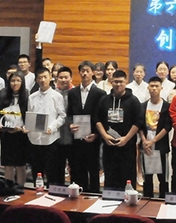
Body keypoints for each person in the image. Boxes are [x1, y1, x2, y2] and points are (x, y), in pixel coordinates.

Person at [96, 69, 143, 189]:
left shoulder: (133, 101)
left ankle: (128, 199)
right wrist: (105, 136)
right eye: (115, 81)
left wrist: (126, 139)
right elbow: (97, 119)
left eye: (121, 82)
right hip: (109, 146)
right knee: (110, 176)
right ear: (111, 82)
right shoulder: (104, 100)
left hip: (127, 147)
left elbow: (138, 122)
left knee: (127, 177)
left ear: (126, 82)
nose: (118, 84)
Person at [67, 60, 105, 193]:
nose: (84, 73)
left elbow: (101, 116)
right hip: (76, 137)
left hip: (93, 137)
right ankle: (78, 193)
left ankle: (94, 193)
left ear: (92, 73)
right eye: (82, 71)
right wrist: (70, 125)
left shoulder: (100, 93)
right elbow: (69, 113)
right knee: (77, 167)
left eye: (87, 71)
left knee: (93, 168)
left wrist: (97, 134)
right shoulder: (72, 92)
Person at [26, 67, 66, 185]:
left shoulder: (57, 96)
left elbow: (62, 116)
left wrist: (52, 127)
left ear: (50, 78)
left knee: (51, 172)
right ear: (36, 80)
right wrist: (27, 127)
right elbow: (30, 115)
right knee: (36, 172)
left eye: (45, 77)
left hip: (50, 139)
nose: (43, 80)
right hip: (34, 139)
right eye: (40, 77)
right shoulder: (32, 97)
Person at [140, 75, 171, 198]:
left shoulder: (166, 106)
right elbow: (139, 125)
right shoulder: (143, 106)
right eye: (151, 86)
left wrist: (153, 141)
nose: (154, 88)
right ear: (148, 87)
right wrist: (144, 141)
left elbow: (167, 127)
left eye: (156, 86)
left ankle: (163, 199)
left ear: (161, 88)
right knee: (147, 176)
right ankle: (147, 199)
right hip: (146, 145)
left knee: (162, 177)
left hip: (160, 145)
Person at [0, 71, 29, 185]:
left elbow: (29, 115)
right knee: (8, 164)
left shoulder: (27, 96)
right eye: (12, 81)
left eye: (18, 80)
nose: (15, 83)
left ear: (22, 82)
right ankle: (9, 187)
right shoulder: (4, 95)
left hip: (21, 135)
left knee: (20, 165)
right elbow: (0, 112)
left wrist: (24, 127)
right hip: (7, 134)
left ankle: (20, 188)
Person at [50, 66, 74, 186]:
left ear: (71, 78)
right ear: (56, 79)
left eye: (66, 77)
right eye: (61, 77)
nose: (63, 80)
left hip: (73, 137)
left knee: (75, 168)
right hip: (56, 138)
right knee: (56, 168)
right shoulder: (52, 94)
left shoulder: (76, 93)